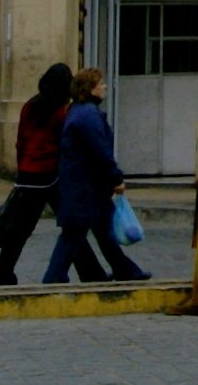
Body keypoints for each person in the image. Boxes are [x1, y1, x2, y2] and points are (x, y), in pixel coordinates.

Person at [42, 67, 150, 284]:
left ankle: (125, 269)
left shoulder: (78, 111)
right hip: (84, 187)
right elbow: (100, 152)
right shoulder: (87, 115)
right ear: (89, 89)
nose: (104, 87)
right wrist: (116, 178)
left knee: (103, 230)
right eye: (100, 84)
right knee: (74, 234)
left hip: (86, 185)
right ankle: (53, 278)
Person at [0, 63, 72, 285]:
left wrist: (21, 169)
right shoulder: (61, 112)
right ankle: (91, 271)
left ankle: (1, 273)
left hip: (28, 174)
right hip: (50, 175)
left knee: (20, 230)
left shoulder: (30, 106)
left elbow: (21, 142)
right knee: (73, 226)